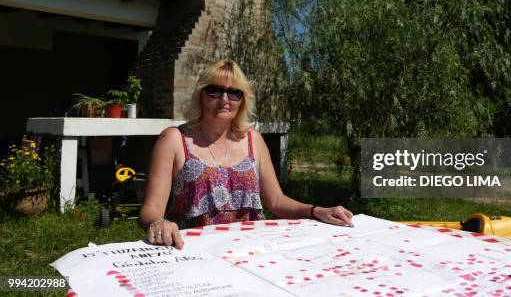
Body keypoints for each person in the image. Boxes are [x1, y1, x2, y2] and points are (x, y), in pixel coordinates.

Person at [139, 59, 353, 249]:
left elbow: (277, 201)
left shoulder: (254, 140)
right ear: (201, 95)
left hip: (252, 250)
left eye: (234, 93)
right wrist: (159, 223)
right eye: (215, 90)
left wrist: (317, 211)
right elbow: (151, 209)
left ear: (242, 100)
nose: (224, 99)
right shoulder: (174, 139)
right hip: (194, 252)